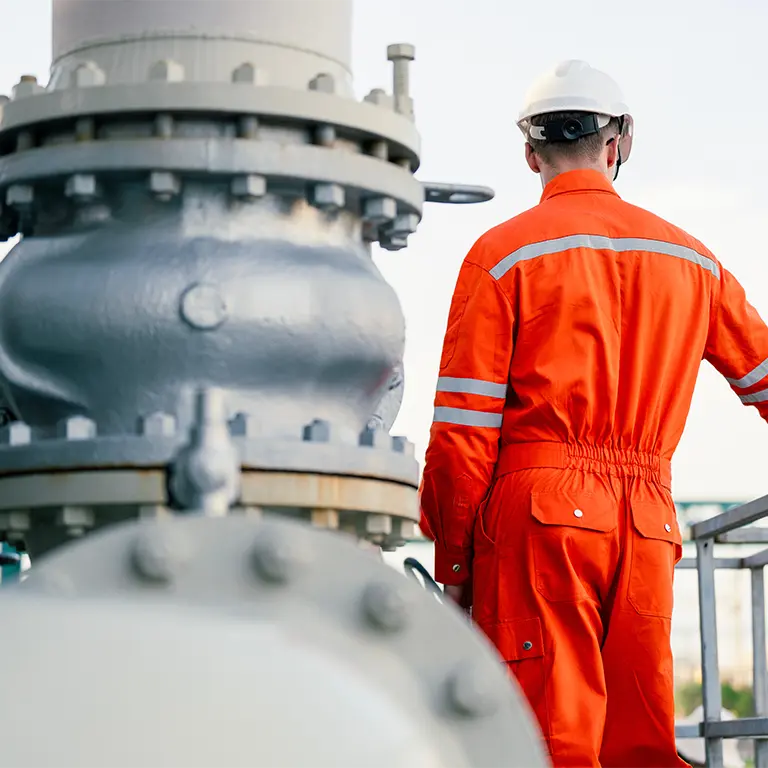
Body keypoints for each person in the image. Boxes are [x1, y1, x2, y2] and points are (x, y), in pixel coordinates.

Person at [418, 59, 768, 768]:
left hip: (538, 521)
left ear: (529, 152)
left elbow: (464, 434)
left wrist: (453, 561)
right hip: (646, 524)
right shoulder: (692, 260)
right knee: (641, 741)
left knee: (548, 740)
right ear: (621, 143)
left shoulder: (500, 255)